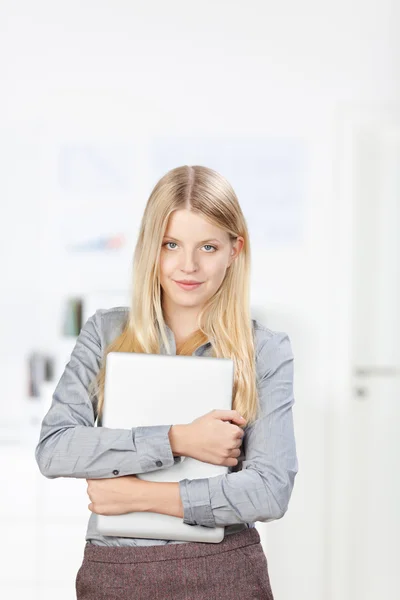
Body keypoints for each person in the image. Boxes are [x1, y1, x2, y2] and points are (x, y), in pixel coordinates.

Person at [35, 165, 298, 599]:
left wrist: (138, 496)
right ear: (149, 248)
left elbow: (270, 492)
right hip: (115, 575)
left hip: (224, 573)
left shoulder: (265, 350)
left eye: (208, 247)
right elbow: (55, 449)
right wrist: (177, 440)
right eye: (170, 244)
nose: (188, 265)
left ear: (235, 249)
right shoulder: (104, 332)